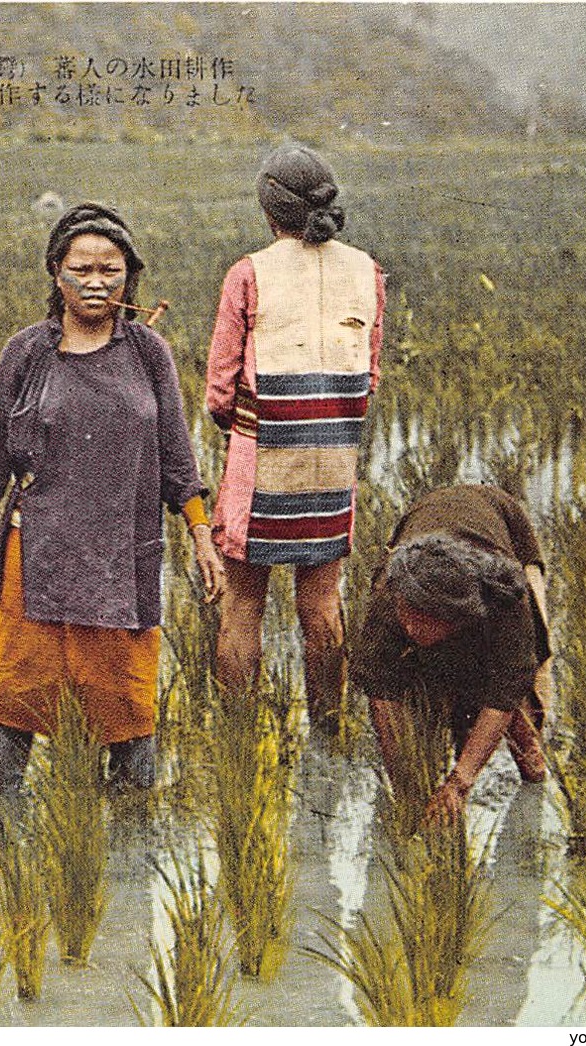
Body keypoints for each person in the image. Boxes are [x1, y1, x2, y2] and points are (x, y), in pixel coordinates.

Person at [0, 202, 224, 795]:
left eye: (110, 271)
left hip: (124, 554)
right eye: (81, 270)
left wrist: (201, 536)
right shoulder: (27, 353)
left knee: (124, 693)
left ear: (130, 277)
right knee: (20, 687)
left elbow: (176, 454)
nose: (96, 284)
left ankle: (129, 831)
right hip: (37, 550)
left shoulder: (148, 354)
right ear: (56, 274)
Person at [205, 144, 386, 725]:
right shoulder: (367, 270)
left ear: (268, 213)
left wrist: (238, 428)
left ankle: (237, 737)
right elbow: (372, 373)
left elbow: (220, 387)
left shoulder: (248, 273)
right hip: (333, 459)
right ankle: (327, 727)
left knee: (243, 604)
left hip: (260, 457)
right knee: (321, 602)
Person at [350, 484, 554, 829]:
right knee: (426, 687)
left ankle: (533, 769)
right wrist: (408, 787)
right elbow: (382, 693)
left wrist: (459, 783)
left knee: (523, 711)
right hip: (428, 521)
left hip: (503, 524)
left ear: (460, 617)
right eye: (408, 614)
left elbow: (506, 688)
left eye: (425, 620)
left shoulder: (505, 597)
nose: (411, 628)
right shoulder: (390, 592)